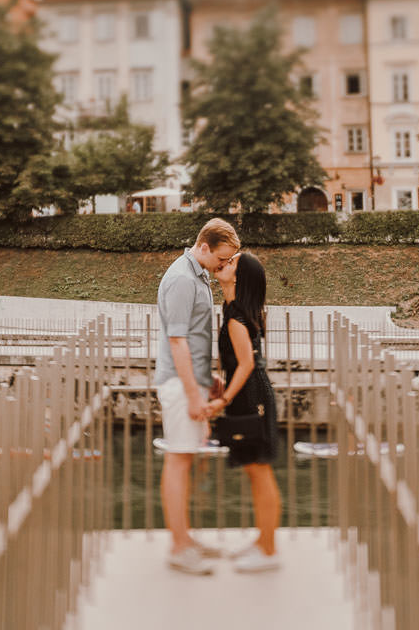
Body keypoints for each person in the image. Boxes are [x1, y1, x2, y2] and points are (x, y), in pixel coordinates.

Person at [156, 217, 239, 575]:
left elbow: (196, 336)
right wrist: (193, 394)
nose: (224, 266)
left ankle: (186, 539)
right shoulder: (180, 279)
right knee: (178, 459)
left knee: (185, 459)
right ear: (203, 246)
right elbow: (177, 341)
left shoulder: (199, 276)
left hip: (192, 381)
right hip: (179, 384)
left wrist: (208, 382)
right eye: (222, 259)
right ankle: (178, 546)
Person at [205, 251, 282, 573]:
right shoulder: (234, 310)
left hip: (252, 398)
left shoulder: (237, 317)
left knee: (260, 472)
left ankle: (268, 550)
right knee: (256, 471)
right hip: (249, 394)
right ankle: (262, 542)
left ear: (240, 277)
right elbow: (240, 362)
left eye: (232, 262)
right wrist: (225, 384)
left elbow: (247, 364)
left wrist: (221, 401)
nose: (224, 263)